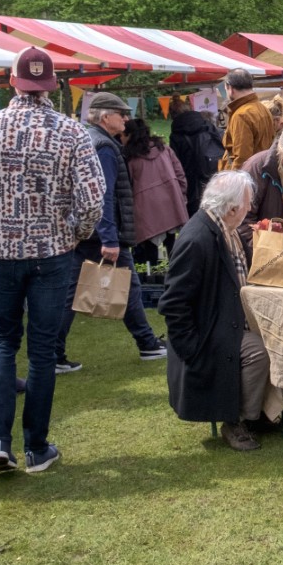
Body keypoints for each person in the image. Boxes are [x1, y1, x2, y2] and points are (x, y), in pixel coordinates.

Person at [0, 46, 105, 474]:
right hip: (51, 253)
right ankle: (36, 447)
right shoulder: (70, 131)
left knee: (3, 344)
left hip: (1, 254)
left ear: (12, 81)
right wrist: (74, 235)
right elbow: (94, 201)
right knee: (42, 352)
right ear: (53, 85)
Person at [160, 171, 276, 451]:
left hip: (228, 323)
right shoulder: (198, 238)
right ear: (233, 208)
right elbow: (173, 303)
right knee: (260, 351)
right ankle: (237, 420)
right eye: (248, 204)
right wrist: (191, 347)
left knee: (279, 337)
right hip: (209, 333)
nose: (250, 209)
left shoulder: (226, 230)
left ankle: (263, 412)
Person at [67, 93, 170, 365]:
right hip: (102, 234)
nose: (126, 118)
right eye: (120, 113)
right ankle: (147, 343)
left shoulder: (93, 140)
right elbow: (104, 196)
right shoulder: (103, 146)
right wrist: (110, 238)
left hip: (91, 232)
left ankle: (52, 352)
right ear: (104, 117)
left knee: (72, 292)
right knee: (127, 287)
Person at [123, 118, 189, 264]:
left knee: (148, 252)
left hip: (145, 209)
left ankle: (149, 277)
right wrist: (181, 195)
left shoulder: (130, 158)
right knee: (173, 248)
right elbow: (180, 174)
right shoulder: (164, 149)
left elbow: (127, 185)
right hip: (171, 203)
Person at [169, 98, 223, 216]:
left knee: (195, 218)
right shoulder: (207, 124)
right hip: (216, 175)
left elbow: (175, 165)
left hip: (191, 184)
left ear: (173, 115)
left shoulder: (176, 135)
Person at [219, 69, 275, 170]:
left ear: (229, 88)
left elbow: (242, 158)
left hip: (244, 178)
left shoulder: (241, 115)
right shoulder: (263, 109)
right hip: (259, 172)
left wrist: (233, 183)